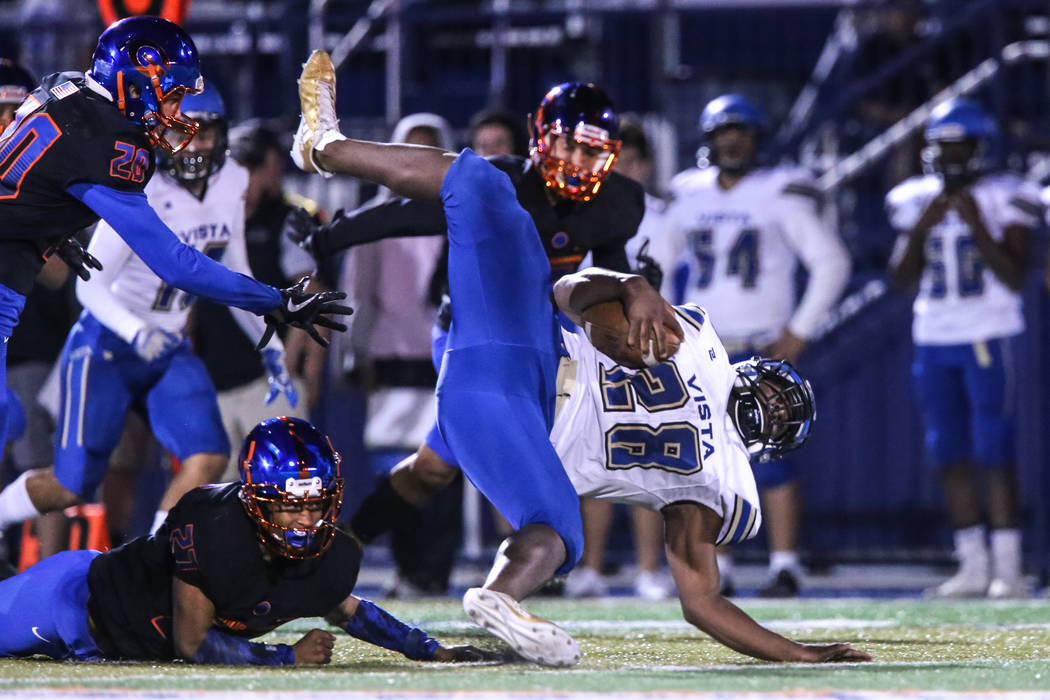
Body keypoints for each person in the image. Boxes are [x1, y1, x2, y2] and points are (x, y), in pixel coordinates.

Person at [291, 50, 871, 666]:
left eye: (780, 419)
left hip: (523, 403)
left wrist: (800, 657)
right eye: (780, 396)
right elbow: (566, 290)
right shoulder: (696, 343)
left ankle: (444, 587)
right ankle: (324, 145)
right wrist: (629, 288)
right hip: (514, 337)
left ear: (767, 448)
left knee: (529, 518)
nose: (771, 409)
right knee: (485, 183)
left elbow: (701, 600)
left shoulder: (721, 480)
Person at [287, 73, 644, 597]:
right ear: (540, 136)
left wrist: (638, 290)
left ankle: (344, 541)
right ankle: (531, 553)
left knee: (430, 470)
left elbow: (608, 271)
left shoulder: (617, 201)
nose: (579, 161)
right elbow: (408, 213)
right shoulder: (500, 182)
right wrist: (330, 238)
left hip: (534, 341)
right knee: (526, 448)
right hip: (468, 336)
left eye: (594, 151)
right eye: (569, 143)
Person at [0, 17, 351, 465]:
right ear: (137, 77)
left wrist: (46, 222)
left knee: (8, 417)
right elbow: (176, 264)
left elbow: (24, 169)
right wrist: (273, 300)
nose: (177, 111)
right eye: (173, 95)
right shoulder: (111, 144)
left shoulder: (64, 87)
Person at [0, 80, 313, 542]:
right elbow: (93, 288)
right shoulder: (130, 176)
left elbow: (234, 263)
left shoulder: (233, 181)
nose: (194, 143)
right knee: (70, 486)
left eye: (205, 131)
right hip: (108, 344)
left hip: (169, 345)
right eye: (185, 130)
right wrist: (135, 331)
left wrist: (267, 345)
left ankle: (153, 562)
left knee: (208, 456)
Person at [0, 416, 490, 665]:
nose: (303, 518)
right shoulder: (212, 524)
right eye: (289, 504)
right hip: (71, 602)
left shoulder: (333, 554)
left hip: (117, 646)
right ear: (255, 498)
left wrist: (430, 649)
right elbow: (191, 642)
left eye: (315, 503)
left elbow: (349, 609)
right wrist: (286, 656)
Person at [662, 94, 852, 597]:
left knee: (773, 457)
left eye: (741, 131)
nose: (731, 141)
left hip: (761, 344)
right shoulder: (689, 193)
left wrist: (800, 330)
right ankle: (718, 564)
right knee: (707, 460)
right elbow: (653, 264)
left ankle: (785, 564)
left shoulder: (780, 191)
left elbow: (832, 262)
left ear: (757, 138)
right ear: (707, 139)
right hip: (702, 347)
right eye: (723, 132)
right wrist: (662, 323)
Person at [886, 98, 1040, 599]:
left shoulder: (1006, 195)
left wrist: (975, 222)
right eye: (942, 148)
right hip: (933, 336)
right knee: (946, 451)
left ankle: (1008, 566)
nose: (950, 158)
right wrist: (922, 228)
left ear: (979, 148)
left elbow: (1015, 276)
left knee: (994, 449)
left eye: (959, 148)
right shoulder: (915, 200)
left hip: (986, 333)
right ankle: (972, 563)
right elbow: (900, 278)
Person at [564, 120, 673, 600]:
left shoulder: (667, 215)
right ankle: (589, 565)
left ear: (646, 165)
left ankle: (649, 569)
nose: (621, 170)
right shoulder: (580, 206)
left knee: (646, 457)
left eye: (629, 160)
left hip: (654, 347)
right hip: (591, 343)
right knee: (589, 458)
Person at [193, 119, 321, 481]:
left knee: (285, 484)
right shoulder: (206, 224)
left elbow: (310, 293)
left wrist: (298, 367)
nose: (240, 179)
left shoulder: (287, 220)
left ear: (268, 171)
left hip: (268, 381)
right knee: (221, 497)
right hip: (215, 378)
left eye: (248, 169)